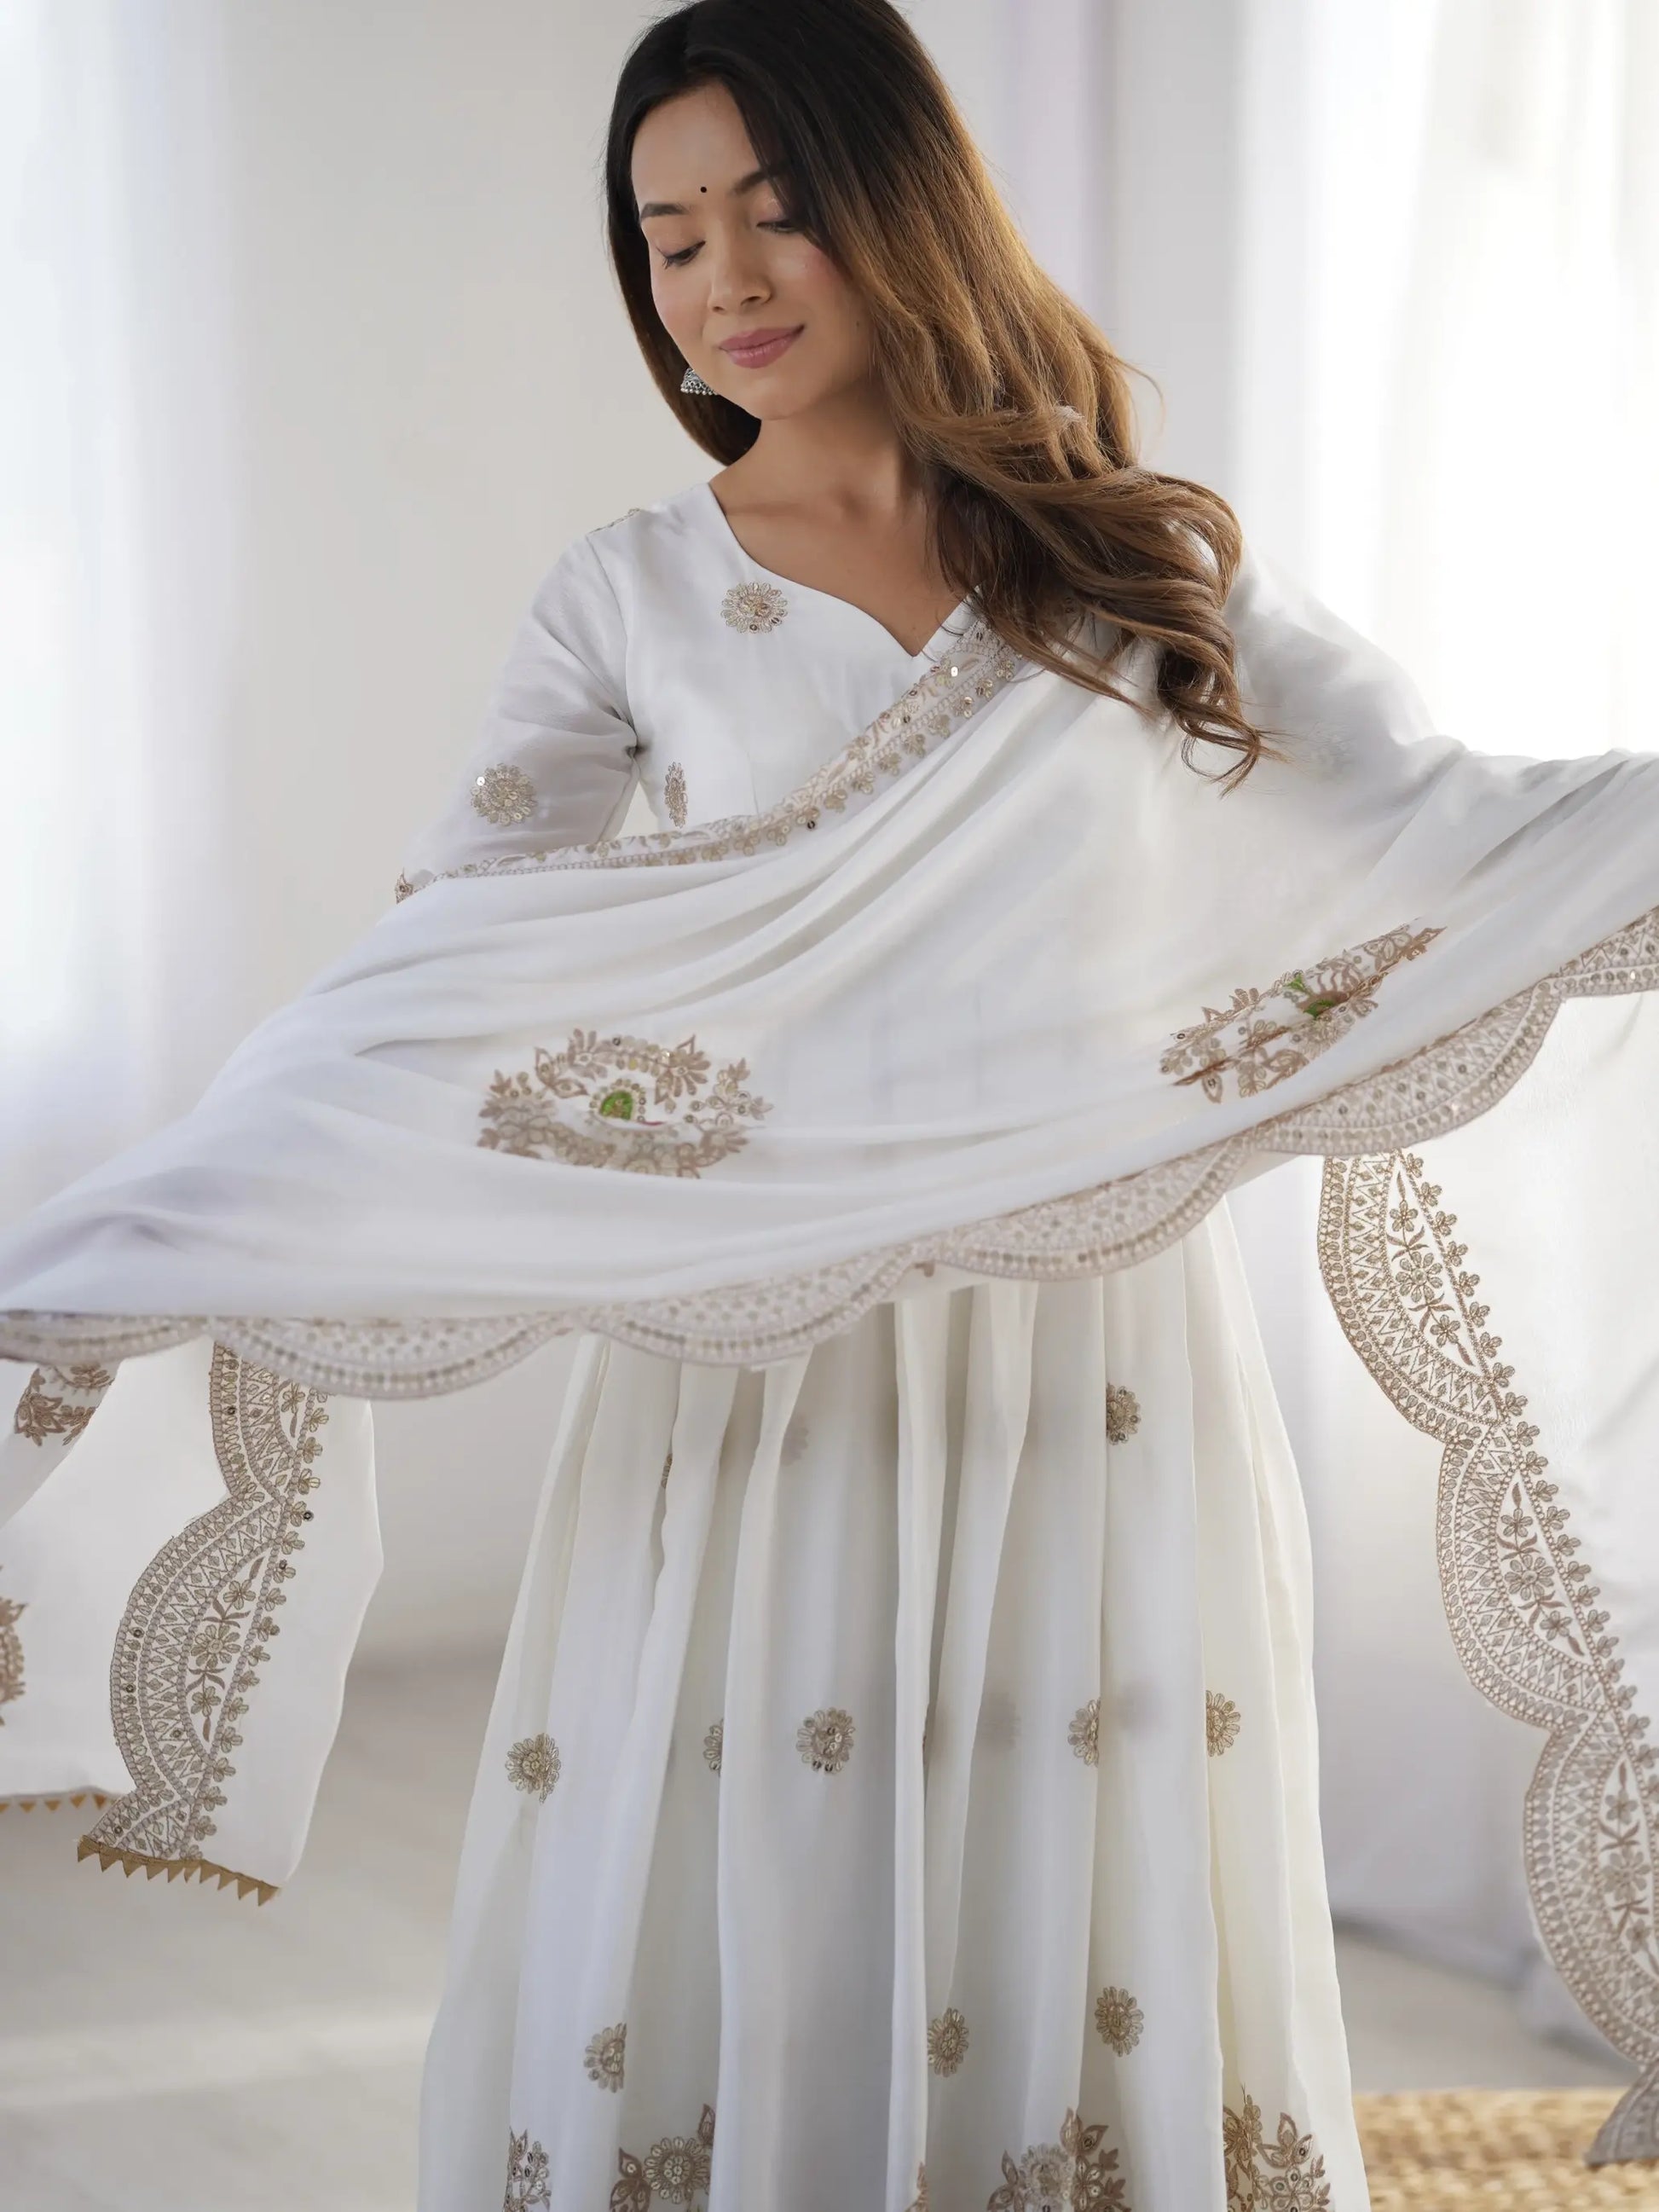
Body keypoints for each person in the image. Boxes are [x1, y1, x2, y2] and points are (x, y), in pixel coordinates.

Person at [6, 3, 1659, 2206]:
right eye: (669, 236)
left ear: (901, 209)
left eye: (773, 213)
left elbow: (1431, 826)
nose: (723, 283)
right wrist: (167, 1205)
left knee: (1068, 1824)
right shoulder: (628, 592)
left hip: (1093, 1346)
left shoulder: (1129, 556)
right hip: (759, 1355)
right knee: (768, 1824)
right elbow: (470, 953)